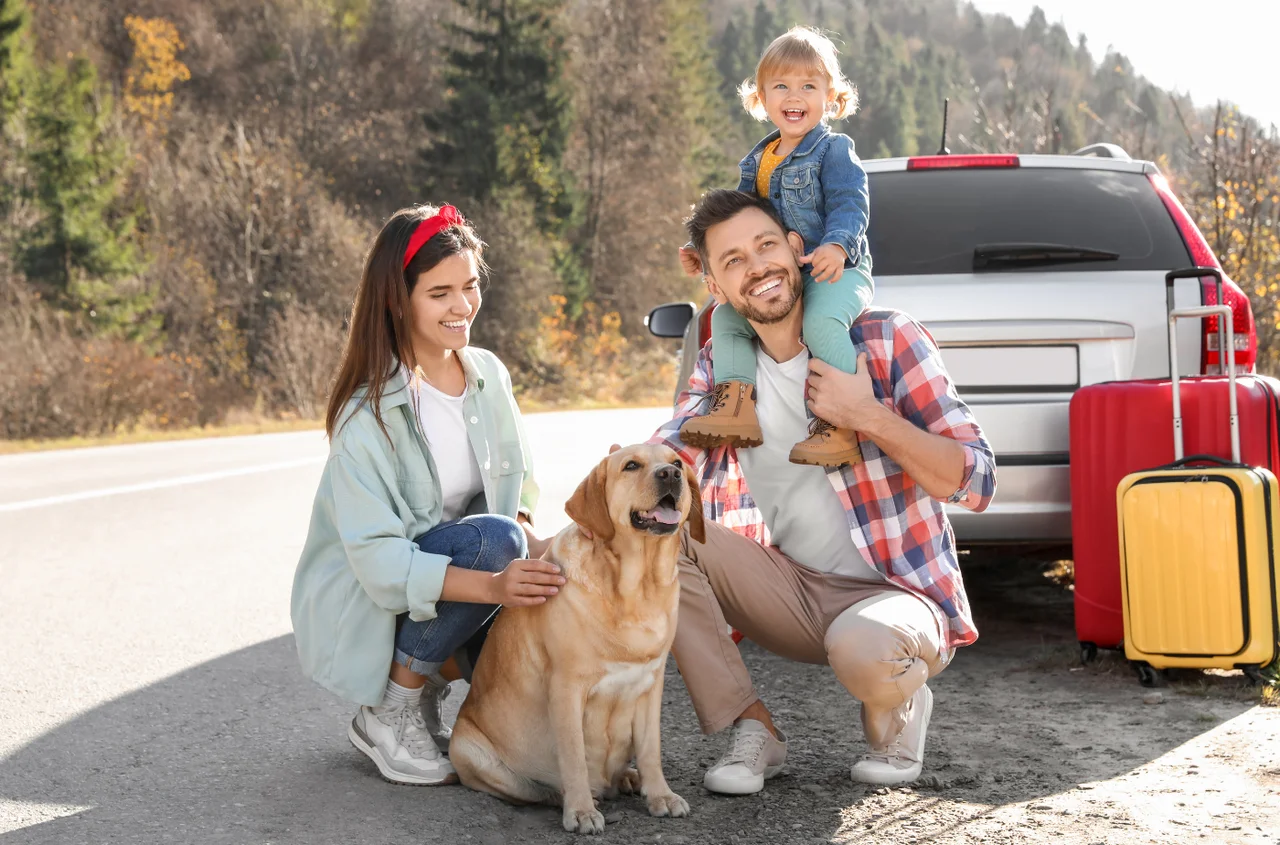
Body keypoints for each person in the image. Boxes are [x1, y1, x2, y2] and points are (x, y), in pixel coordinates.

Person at [649, 189, 996, 794]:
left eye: (765, 246)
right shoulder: (723, 367)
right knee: (663, 537)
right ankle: (752, 727)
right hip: (790, 590)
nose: (756, 267)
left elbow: (976, 479)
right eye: (732, 261)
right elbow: (673, 451)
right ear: (716, 287)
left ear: (796, 248)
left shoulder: (886, 339)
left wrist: (868, 415)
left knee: (865, 649)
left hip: (895, 595)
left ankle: (898, 707)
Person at [290, 204, 564, 786]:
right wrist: (497, 584)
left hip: (464, 581)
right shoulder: (366, 414)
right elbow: (382, 565)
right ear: (399, 299)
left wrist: (558, 555)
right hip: (381, 600)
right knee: (497, 540)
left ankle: (441, 693)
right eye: (440, 293)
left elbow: (516, 493)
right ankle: (389, 707)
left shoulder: (488, 375)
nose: (462, 307)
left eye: (469, 287)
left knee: (533, 567)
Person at [677, 26, 875, 469]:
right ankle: (735, 407)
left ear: (830, 96)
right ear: (762, 98)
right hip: (788, 274)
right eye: (781, 86)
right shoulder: (758, 159)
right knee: (724, 315)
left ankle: (839, 425)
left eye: (809, 85)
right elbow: (734, 217)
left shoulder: (833, 150)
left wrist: (838, 246)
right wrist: (699, 249)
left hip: (837, 271)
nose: (795, 95)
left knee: (822, 323)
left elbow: (850, 201)